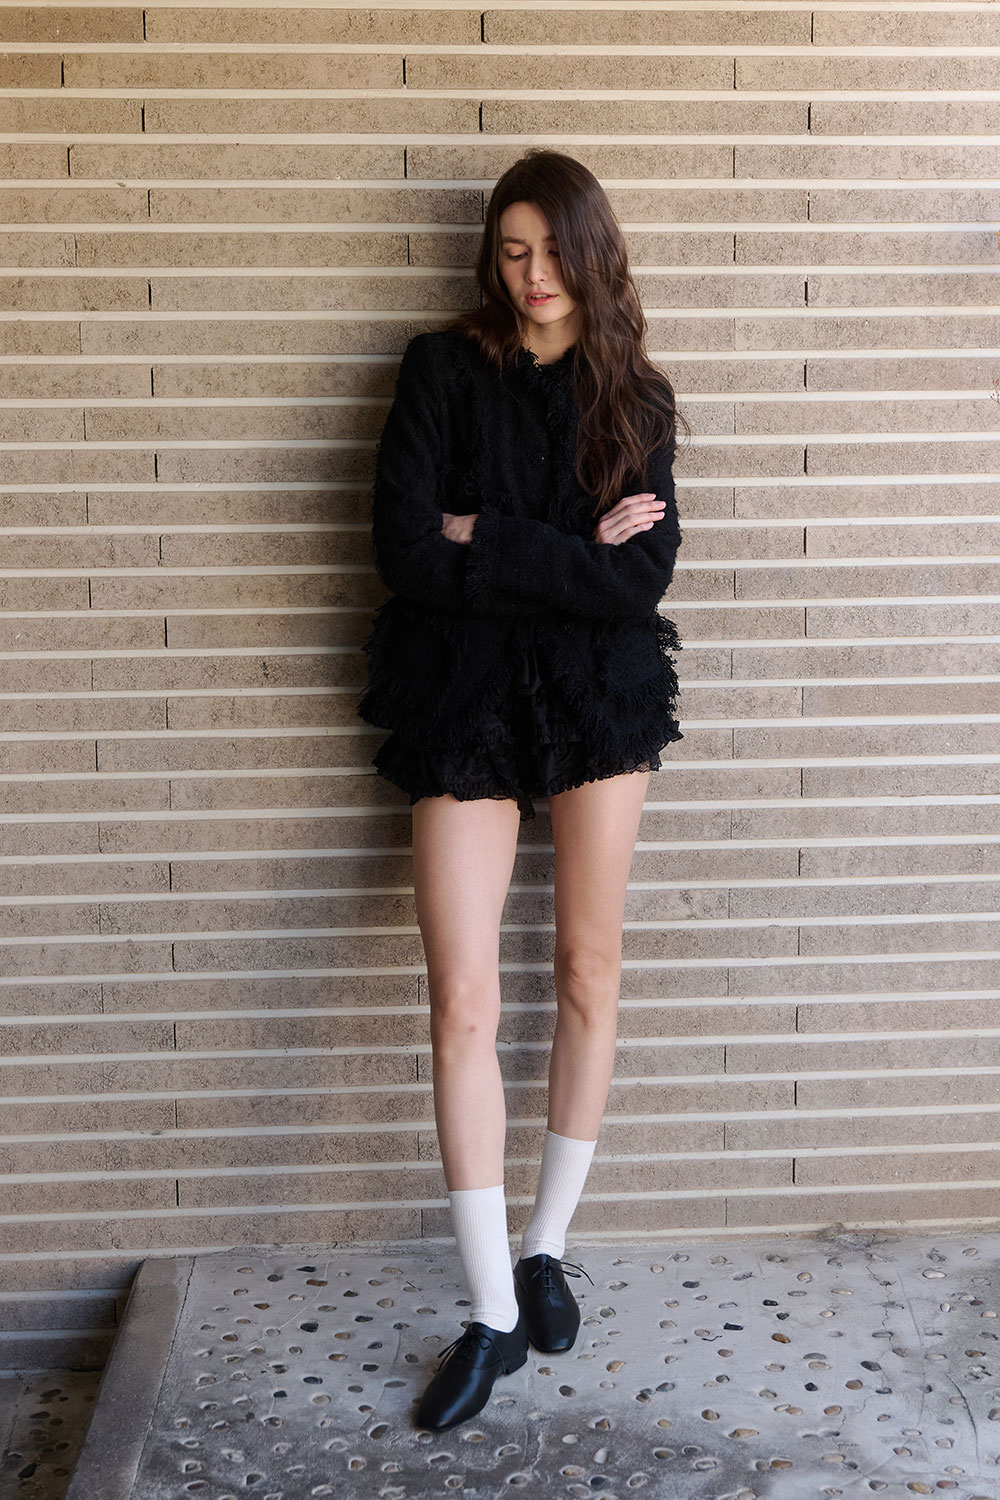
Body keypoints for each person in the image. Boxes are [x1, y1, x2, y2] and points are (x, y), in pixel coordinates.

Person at [355, 148, 688, 1432]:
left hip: (599, 692)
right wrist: (561, 553)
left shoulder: (633, 393)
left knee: (588, 969)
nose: (532, 275)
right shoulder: (441, 370)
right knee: (461, 999)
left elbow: (636, 580)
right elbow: (400, 548)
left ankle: (548, 1244)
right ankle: (492, 1310)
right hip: (462, 694)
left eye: (552, 251)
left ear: (591, 255)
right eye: (511, 251)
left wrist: (486, 536)